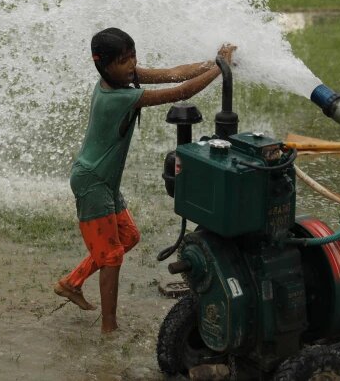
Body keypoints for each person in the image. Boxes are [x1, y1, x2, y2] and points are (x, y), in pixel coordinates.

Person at [54, 27, 236, 333]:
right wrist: (223, 69)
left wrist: (214, 62)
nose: (131, 64)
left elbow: (177, 74)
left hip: (105, 181)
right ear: (103, 65)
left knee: (128, 238)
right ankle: (109, 328)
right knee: (111, 257)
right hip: (91, 181)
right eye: (124, 60)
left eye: (132, 57)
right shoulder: (119, 97)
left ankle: (71, 283)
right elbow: (182, 92)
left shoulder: (123, 79)